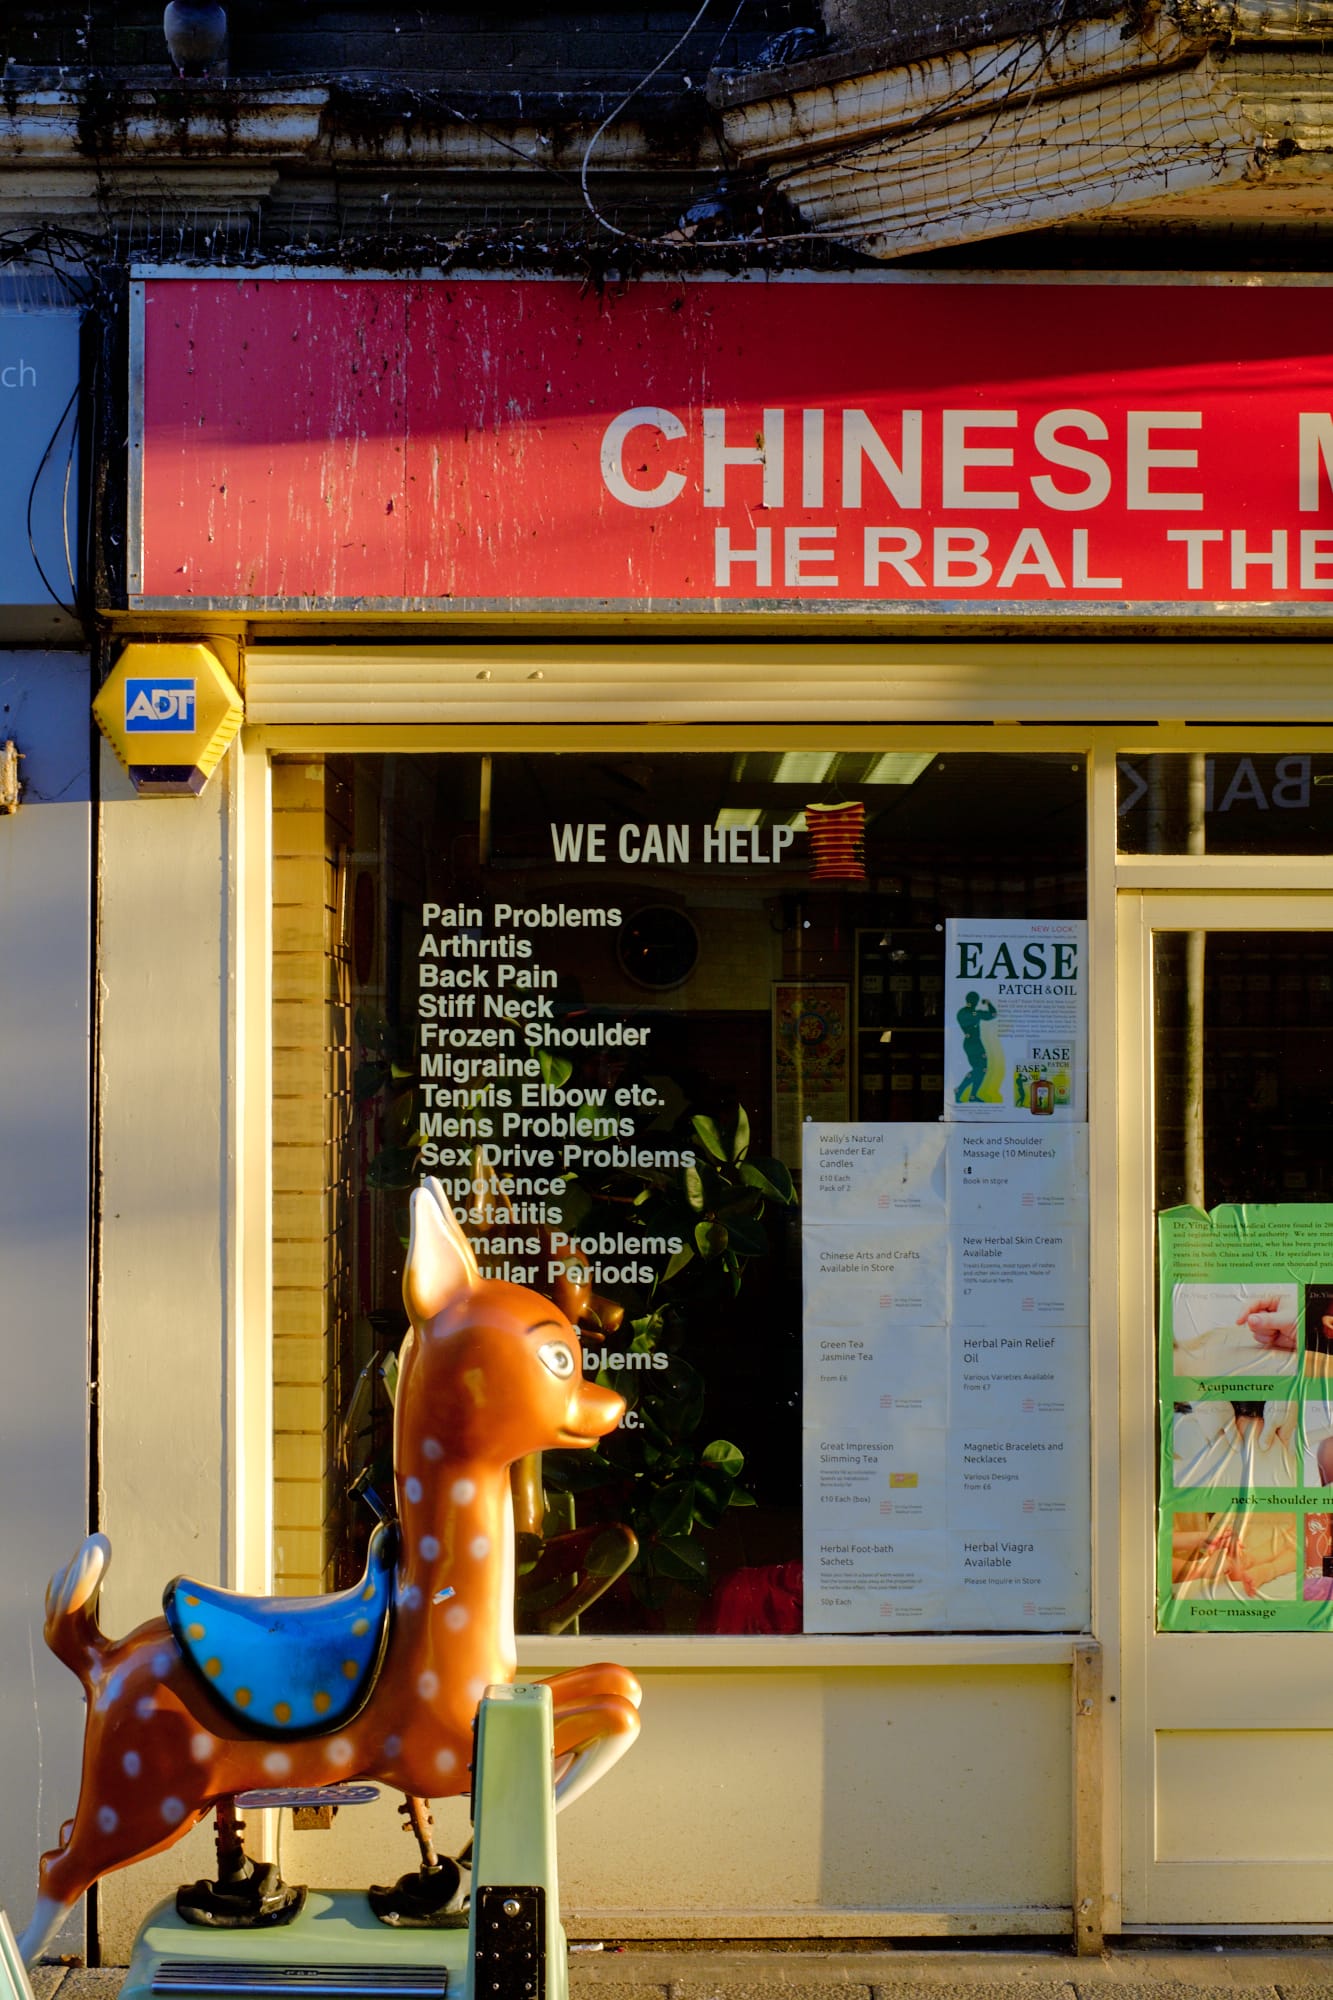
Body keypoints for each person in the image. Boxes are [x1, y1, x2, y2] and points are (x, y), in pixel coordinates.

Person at [954, 990, 998, 1104]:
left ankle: (972, 1096)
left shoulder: (961, 1012)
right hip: (974, 1044)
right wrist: (988, 1003)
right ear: (975, 1001)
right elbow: (993, 1015)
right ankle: (960, 1090)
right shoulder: (973, 1013)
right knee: (980, 1069)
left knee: (980, 1070)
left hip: (971, 1043)